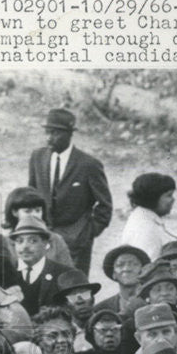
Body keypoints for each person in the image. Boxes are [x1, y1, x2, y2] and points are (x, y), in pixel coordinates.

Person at [28, 108, 113, 274]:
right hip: (43, 237)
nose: (49, 138)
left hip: (76, 244)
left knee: (74, 288)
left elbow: (105, 205)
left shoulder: (88, 164)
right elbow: (31, 195)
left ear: (69, 134)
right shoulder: (37, 157)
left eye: (55, 133)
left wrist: (86, 234)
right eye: (47, 132)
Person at [9, 214, 68, 317]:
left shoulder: (63, 274)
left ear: (45, 243)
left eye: (33, 241)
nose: (25, 247)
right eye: (19, 241)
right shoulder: (6, 273)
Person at [2, 186, 74, 267]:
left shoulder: (55, 240)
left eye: (38, 210)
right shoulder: (5, 243)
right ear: (14, 212)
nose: (34, 215)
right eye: (27, 211)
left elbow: (69, 274)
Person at [121, 173, 177, 260]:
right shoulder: (145, 228)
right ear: (153, 198)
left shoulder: (142, 216)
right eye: (169, 195)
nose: (173, 199)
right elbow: (150, 268)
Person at [97, 245, 151, 317]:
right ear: (114, 274)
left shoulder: (154, 302)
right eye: (120, 265)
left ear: (143, 271)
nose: (127, 269)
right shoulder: (101, 309)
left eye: (134, 264)